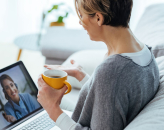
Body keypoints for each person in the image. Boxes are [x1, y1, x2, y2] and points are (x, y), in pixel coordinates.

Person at [37, 0, 160, 130]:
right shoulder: (145, 52)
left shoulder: (112, 71)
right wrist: (81, 75)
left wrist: (53, 109)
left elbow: (112, 83)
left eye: (81, 15)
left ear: (98, 18)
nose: (80, 22)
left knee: (38, 94)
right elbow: (111, 98)